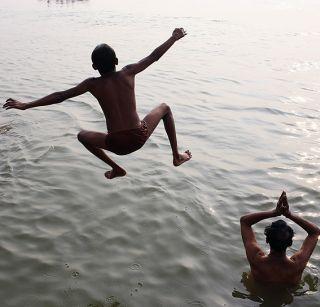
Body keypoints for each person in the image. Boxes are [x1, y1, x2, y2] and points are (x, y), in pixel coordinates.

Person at [3, 28, 192, 179]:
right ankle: (176, 156)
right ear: (116, 61)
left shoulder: (92, 84)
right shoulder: (128, 72)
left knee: (82, 136)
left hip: (115, 143)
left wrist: (26, 105)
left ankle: (116, 168)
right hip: (139, 136)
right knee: (165, 108)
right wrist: (172, 38)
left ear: (94, 67)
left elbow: (60, 95)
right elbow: (153, 56)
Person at [240, 191, 320, 284]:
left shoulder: (256, 259)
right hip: (291, 297)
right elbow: (315, 232)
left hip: (258, 295)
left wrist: (274, 212)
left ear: (267, 240)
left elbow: (245, 222)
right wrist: (289, 214)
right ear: (290, 243)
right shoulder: (298, 264)